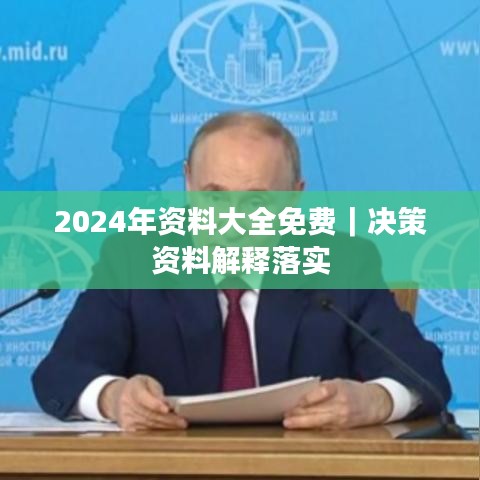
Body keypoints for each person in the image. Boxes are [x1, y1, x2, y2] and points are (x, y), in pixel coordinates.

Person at [32, 112, 451, 431]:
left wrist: (374, 401)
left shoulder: (342, 262)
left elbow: (423, 373)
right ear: (188, 184)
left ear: (294, 198)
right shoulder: (133, 259)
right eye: (214, 196)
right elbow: (61, 372)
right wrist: (114, 396)